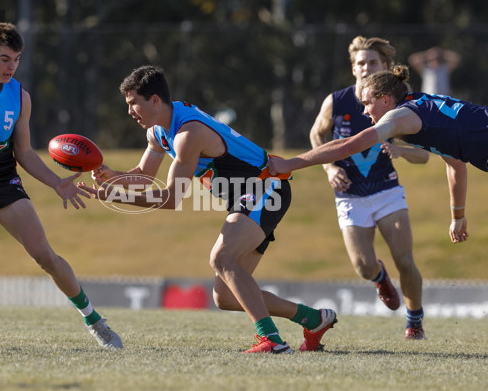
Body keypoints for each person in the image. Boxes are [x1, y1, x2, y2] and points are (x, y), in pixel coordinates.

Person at [78, 65, 337, 354]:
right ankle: (313, 319)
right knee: (225, 296)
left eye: (132, 103)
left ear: (154, 100)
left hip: (268, 187)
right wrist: (113, 176)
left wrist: (114, 196)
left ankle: (273, 341)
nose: (129, 111)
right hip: (246, 198)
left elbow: (172, 198)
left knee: (222, 258)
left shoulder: (188, 134)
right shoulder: (158, 132)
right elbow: (144, 174)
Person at [0, 22, 122, 349]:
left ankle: (95, 321)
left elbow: (23, 152)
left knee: (45, 256)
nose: (11, 66)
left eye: (17, 59)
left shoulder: (20, 96)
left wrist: (56, 183)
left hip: (1, 176)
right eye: (5, 59)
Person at [268, 64, 487, 248]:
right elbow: (455, 165)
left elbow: (347, 145)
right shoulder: (420, 108)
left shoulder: (400, 116)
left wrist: (289, 163)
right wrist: (458, 217)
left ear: (385, 100)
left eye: (367, 103)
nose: (364, 112)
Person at [309, 36, 429, 339]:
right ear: (353, 68)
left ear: (385, 67)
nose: (366, 68)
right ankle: (380, 278)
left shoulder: (401, 104)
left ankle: (414, 321)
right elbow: (316, 134)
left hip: (387, 191)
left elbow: (425, 155)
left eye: (372, 62)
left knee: (405, 259)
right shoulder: (335, 101)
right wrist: (329, 167)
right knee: (363, 266)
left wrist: (401, 151)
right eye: (361, 63)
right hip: (349, 194)